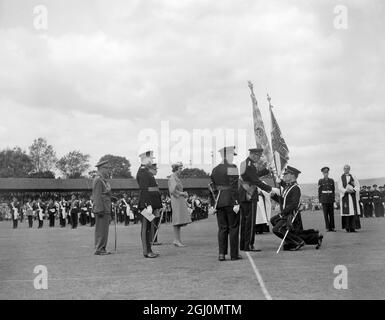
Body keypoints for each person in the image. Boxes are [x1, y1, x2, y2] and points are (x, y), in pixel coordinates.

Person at [210, 146, 241, 261]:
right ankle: (234, 255)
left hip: (219, 201)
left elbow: (212, 188)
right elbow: (234, 186)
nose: (233, 157)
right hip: (230, 201)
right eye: (232, 155)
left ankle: (221, 254)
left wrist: (213, 204)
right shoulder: (232, 167)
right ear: (228, 155)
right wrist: (237, 202)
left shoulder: (215, 169)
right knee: (233, 227)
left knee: (222, 228)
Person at [239, 148, 273, 252]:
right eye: (258, 156)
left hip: (243, 194)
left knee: (244, 221)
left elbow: (252, 176)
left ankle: (243, 245)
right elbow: (255, 180)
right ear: (254, 155)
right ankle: (249, 244)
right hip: (250, 194)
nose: (259, 159)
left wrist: (266, 170)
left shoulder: (245, 163)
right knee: (250, 221)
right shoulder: (251, 166)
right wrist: (269, 189)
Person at [270, 166, 309, 251]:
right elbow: (284, 201)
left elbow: (294, 204)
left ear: (292, 176)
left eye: (286, 174)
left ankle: (298, 241)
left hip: (291, 214)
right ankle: (289, 240)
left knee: (276, 229)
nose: (284, 176)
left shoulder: (295, 188)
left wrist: (282, 213)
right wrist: (274, 197)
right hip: (286, 213)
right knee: (273, 220)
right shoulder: (288, 187)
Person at [136, 151, 162, 258]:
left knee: (148, 228)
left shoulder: (146, 172)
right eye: (151, 159)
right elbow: (145, 190)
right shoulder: (143, 172)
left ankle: (149, 249)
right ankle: (146, 251)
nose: (152, 161)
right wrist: (148, 205)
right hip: (146, 205)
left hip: (149, 204)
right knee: (145, 227)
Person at [168, 162, 192, 247]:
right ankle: (176, 240)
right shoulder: (172, 178)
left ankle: (177, 240)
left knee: (178, 221)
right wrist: (183, 193)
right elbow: (173, 191)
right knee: (177, 220)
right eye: (180, 169)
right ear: (176, 169)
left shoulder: (176, 177)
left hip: (179, 200)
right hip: (176, 200)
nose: (181, 170)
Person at [92, 159, 112, 255]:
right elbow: (97, 196)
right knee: (101, 231)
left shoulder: (103, 180)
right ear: (101, 168)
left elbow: (104, 194)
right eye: (107, 168)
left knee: (104, 231)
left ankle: (102, 248)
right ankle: (99, 248)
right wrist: (99, 209)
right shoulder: (98, 180)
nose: (108, 170)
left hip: (105, 208)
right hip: (102, 209)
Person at [337, 164, 361, 232]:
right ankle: (347, 228)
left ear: (349, 169)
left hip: (353, 196)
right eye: (345, 168)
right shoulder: (341, 178)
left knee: (353, 212)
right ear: (343, 169)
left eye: (347, 168)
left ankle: (353, 228)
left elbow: (357, 185)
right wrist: (346, 190)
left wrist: (353, 190)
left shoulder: (353, 177)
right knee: (347, 213)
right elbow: (340, 187)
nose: (346, 169)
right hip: (345, 197)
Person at [318, 167, 336, 232]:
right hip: (324, 199)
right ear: (323, 173)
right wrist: (320, 201)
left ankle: (332, 227)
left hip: (330, 199)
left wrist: (334, 199)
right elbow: (319, 191)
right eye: (324, 172)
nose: (326, 174)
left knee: (331, 214)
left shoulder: (331, 180)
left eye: (327, 172)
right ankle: (327, 227)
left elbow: (333, 190)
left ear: (328, 173)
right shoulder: (320, 181)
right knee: (325, 214)